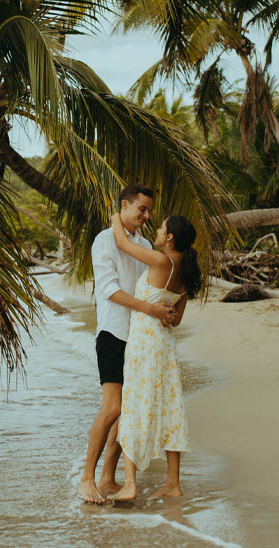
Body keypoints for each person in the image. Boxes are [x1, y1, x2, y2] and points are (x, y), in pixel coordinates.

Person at [78, 184, 176, 504]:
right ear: (125, 205)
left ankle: (108, 476)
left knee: (127, 412)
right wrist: (149, 309)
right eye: (142, 209)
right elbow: (110, 290)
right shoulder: (104, 241)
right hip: (112, 333)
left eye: (149, 211)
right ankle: (86, 478)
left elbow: (152, 287)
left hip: (138, 339)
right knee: (112, 407)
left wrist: (165, 310)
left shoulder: (145, 244)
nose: (147, 216)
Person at [110, 212, 202, 501]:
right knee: (170, 408)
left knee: (135, 407)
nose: (158, 231)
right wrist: (168, 312)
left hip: (143, 345)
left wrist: (116, 214)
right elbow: (175, 321)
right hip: (164, 346)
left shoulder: (162, 261)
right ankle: (173, 484)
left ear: (170, 237)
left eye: (162, 228)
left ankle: (130, 484)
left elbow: (123, 244)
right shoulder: (185, 271)